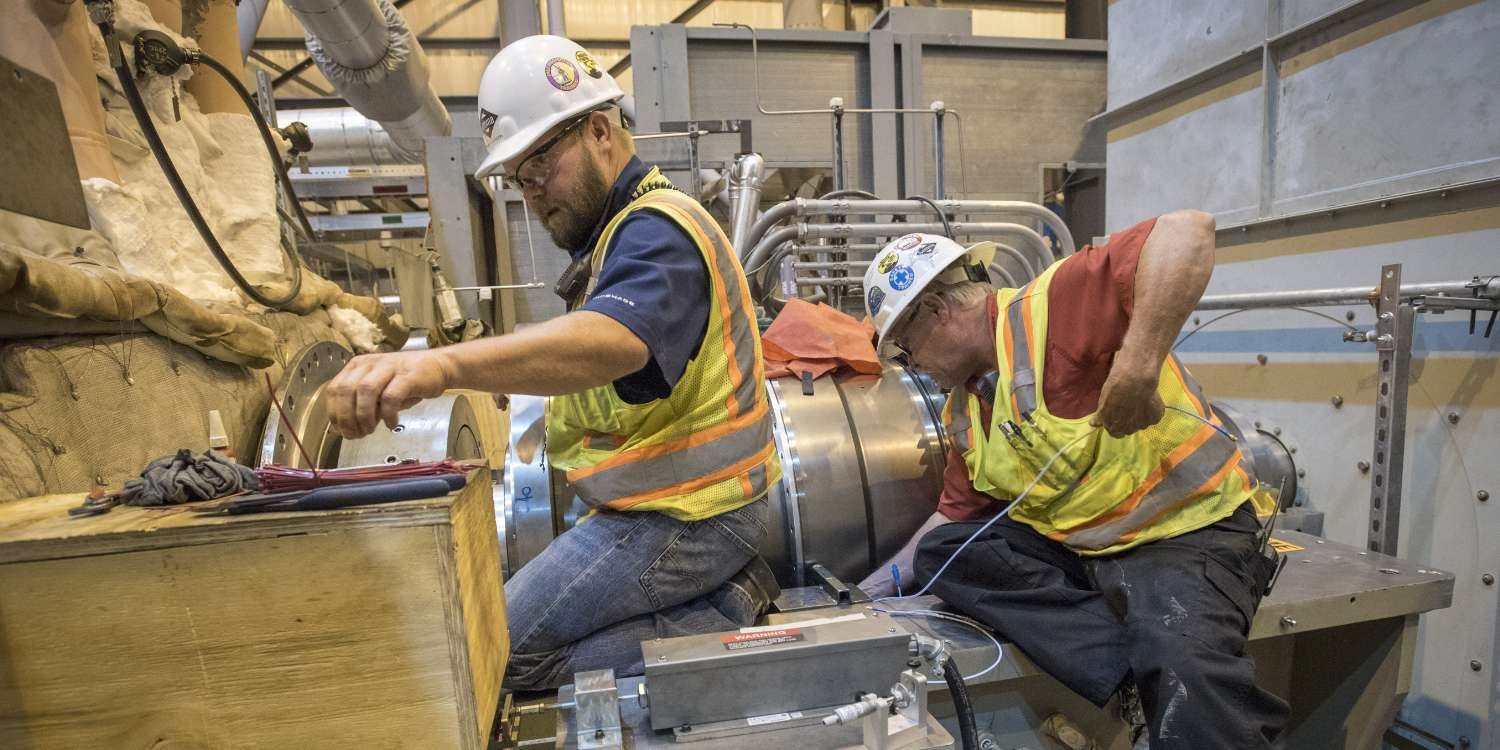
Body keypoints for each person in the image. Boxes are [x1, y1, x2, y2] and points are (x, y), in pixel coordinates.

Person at [323, 36, 780, 691]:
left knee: (500, 654)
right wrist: (520, 378)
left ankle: (724, 610)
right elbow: (602, 374)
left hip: (694, 517)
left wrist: (447, 366)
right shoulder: (615, 238)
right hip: (658, 508)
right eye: (518, 180)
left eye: (540, 168)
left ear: (599, 130)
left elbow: (615, 340)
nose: (532, 195)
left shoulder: (658, 229)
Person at [859, 216, 1289, 748]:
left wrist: (1139, 364)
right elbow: (953, 522)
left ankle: (1158, 667)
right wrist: (862, 595)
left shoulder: (1051, 309)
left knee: (1187, 667)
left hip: (1183, 534)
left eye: (906, 349)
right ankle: (1129, 674)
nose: (913, 367)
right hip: (1083, 552)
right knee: (948, 553)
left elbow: (1189, 231)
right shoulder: (968, 409)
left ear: (935, 311)